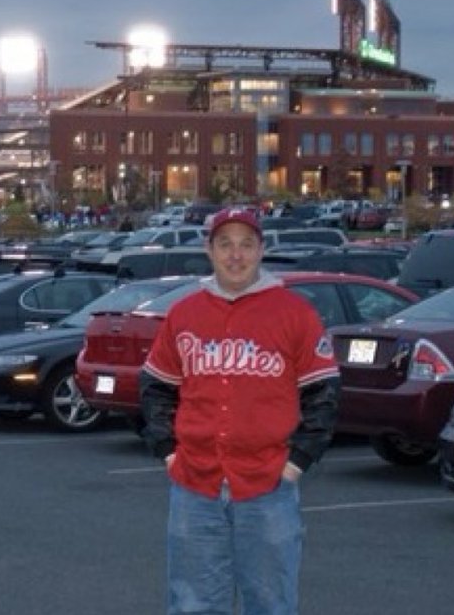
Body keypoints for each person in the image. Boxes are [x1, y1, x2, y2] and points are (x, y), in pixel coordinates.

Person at [139, 206, 339, 615]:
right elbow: (157, 388)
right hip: (195, 486)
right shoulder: (184, 313)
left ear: (261, 250)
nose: (236, 255)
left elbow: (323, 394)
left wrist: (296, 463)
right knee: (192, 605)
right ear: (209, 250)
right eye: (225, 244)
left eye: (246, 244)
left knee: (270, 604)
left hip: (268, 487)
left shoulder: (295, 313)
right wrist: (168, 451)